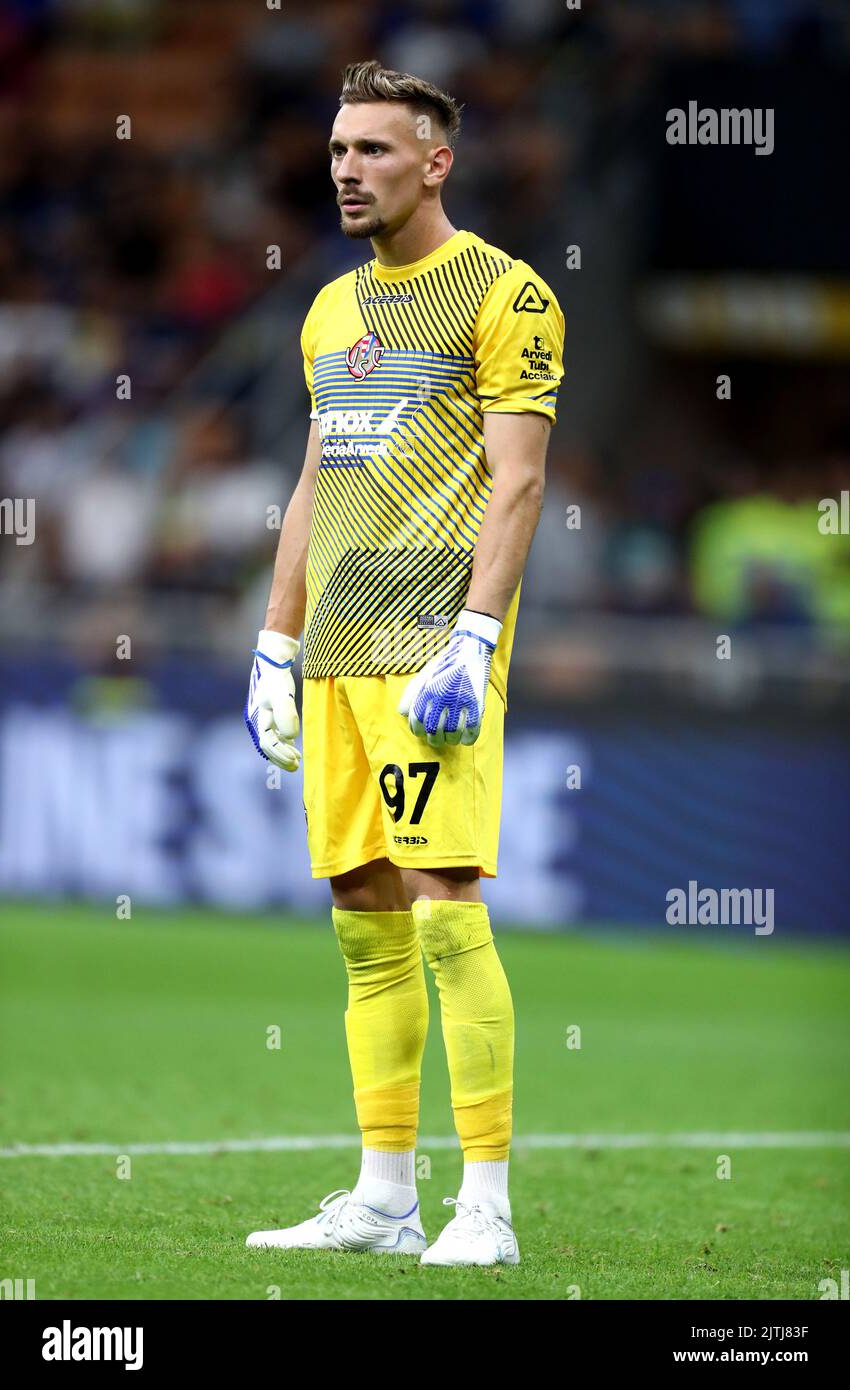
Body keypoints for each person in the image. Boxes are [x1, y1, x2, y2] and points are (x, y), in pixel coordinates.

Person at [244, 59, 564, 1267]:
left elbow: (519, 479)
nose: (344, 169)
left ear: (435, 162)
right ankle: (385, 1196)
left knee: (444, 908)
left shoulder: (504, 292)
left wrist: (475, 638)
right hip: (334, 653)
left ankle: (485, 1204)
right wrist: (276, 643)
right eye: (336, 150)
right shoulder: (330, 312)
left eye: (373, 150)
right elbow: (313, 485)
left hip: (430, 653)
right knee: (362, 918)